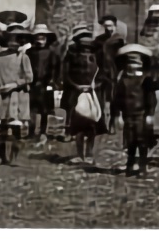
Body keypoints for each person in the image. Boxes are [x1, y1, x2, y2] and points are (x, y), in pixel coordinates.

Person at [111, 44, 159, 177]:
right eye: (130, 62)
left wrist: (150, 114)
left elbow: (151, 98)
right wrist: (117, 115)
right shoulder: (122, 79)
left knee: (142, 141)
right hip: (128, 115)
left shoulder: (146, 79)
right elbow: (117, 98)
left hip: (141, 114)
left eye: (136, 62)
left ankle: (143, 166)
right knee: (130, 141)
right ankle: (130, 164)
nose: (133, 65)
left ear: (141, 64)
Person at [0, 27, 34, 166]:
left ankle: (14, 157)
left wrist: (14, 84)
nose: (13, 43)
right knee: (3, 127)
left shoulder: (23, 57)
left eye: (17, 41)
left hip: (18, 95)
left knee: (16, 128)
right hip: (3, 97)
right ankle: (1, 156)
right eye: (10, 40)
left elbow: (29, 77)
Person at [62, 23, 106, 163]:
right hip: (76, 94)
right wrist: (77, 86)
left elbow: (104, 76)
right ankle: (79, 154)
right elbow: (65, 74)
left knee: (92, 125)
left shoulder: (99, 57)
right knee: (78, 126)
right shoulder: (71, 56)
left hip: (93, 95)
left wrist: (94, 87)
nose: (86, 47)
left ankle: (89, 154)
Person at [26, 23, 61, 144]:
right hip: (32, 83)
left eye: (42, 38)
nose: (40, 41)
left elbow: (55, 68)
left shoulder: (52, 53)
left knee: (45, 110)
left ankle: (43, 132)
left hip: (46, 84)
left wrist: (52, 82)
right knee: (31, 109)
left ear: (47, 39)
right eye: (38, 38)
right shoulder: (29, 52)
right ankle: (31, 131)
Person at [94, 14, 126, 132]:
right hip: (101, 72)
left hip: (114, 72)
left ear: (115, 26)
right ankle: (101, 124)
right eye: (106, 26)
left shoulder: (119, 40)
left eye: (111, 26)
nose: (109, 28)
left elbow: (122, 58)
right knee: (100, 98)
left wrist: (120, 73)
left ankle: (112, 123)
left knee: (113, 98)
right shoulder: (98, 40)